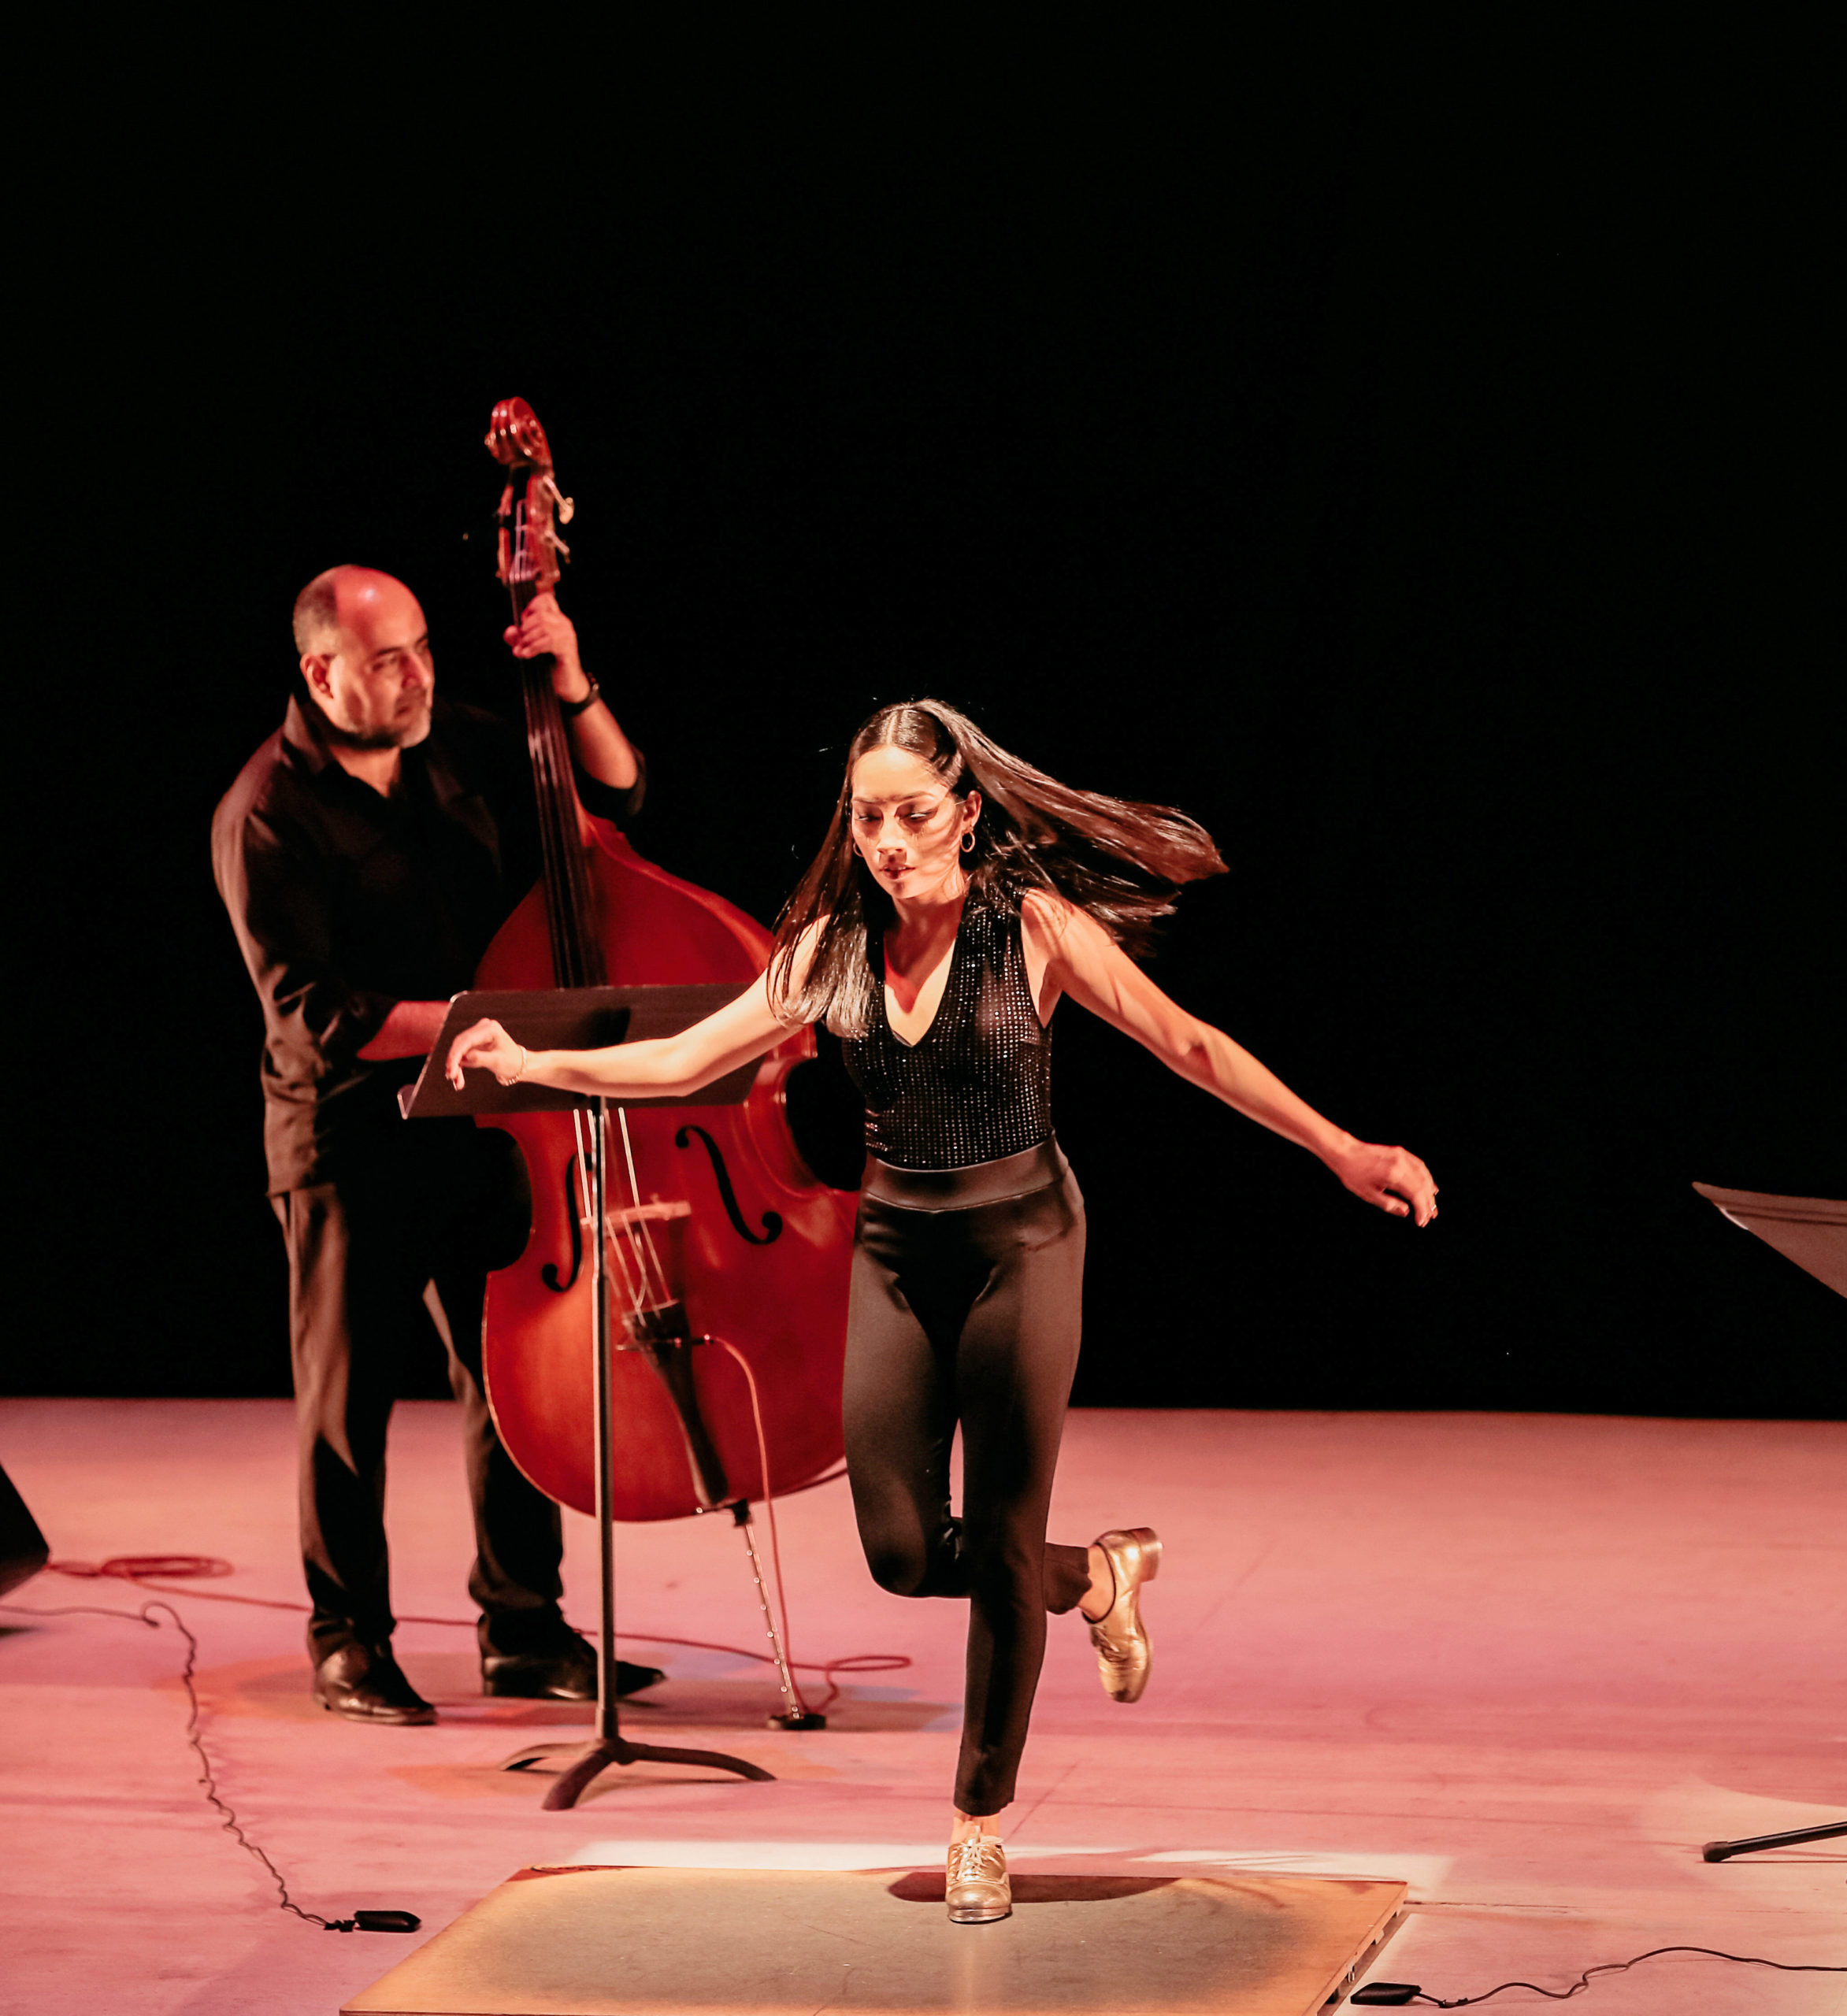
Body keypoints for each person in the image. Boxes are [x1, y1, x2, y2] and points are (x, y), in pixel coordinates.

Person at [446, 699, 1437, 1920]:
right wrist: (539, 1066)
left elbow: (1188, 1044)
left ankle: (977, 1819)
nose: (889, 840)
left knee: (1002, 1537)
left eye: (913, 815)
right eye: (868, 817)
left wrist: (1341, 1149)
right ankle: (1096, 1577)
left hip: (1025, 1244)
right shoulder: (828, 949)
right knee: (904, 1552)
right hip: (894, 1251)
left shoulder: (1033, 927)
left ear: (965, 813)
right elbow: (684, 1060)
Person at [212, 565, 666, 1724]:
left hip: (481, 1119)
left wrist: (572, 683)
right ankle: (347, 1640)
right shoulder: (267, 811)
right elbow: (322, 1014)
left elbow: (616, 791)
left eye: (420, 648)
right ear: (320, 673)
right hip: (348, 1137)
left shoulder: (456, 743)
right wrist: (493, 1028)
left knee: (507, 1385)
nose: (417, 675)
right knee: (347, 1403)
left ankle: (524, 1628)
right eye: (386, 659)